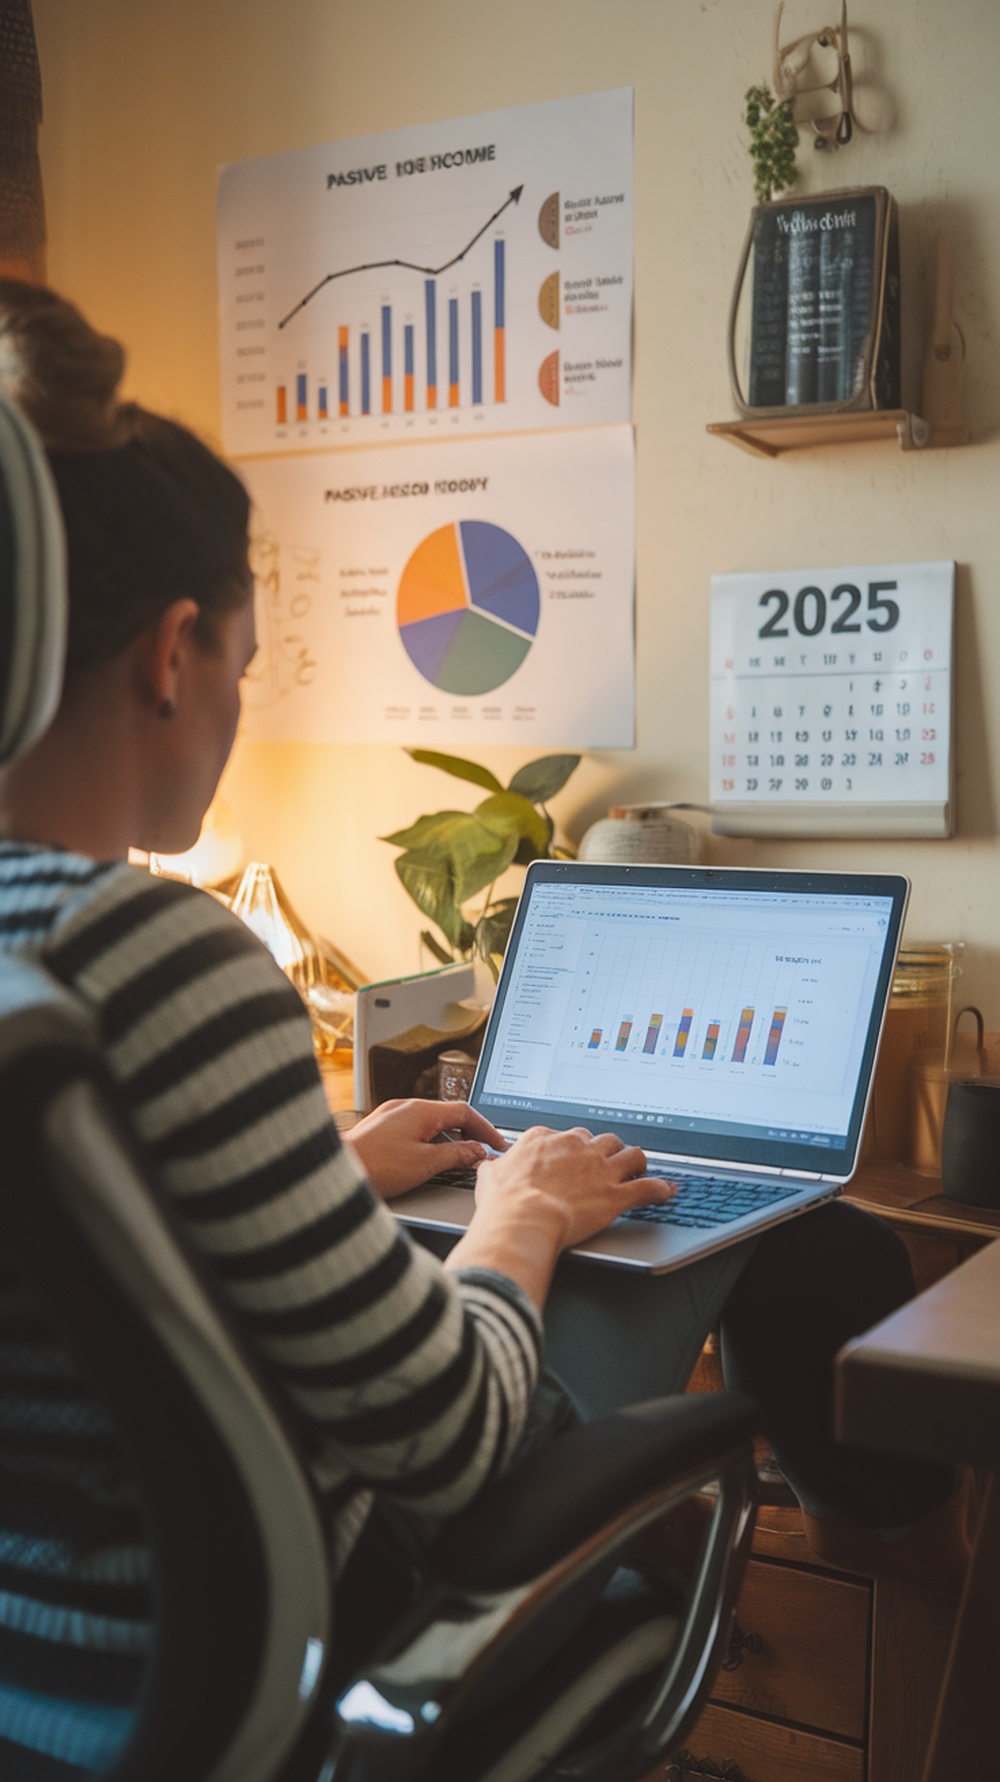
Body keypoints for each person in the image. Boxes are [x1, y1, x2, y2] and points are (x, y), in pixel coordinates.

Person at [0, 280, 964, 1777]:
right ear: (175, 652)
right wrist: (513, 1220)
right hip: (312, 1671)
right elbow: (456, 1443)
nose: (238, 704)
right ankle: (908, 1555)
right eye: (250, 672)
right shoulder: (153, 959)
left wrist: (324, 1159)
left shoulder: (40, 968)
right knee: (773, 1253)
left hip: (38, 1687)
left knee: (756, 1233)